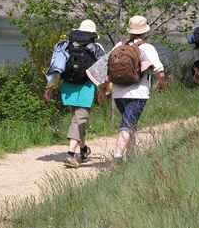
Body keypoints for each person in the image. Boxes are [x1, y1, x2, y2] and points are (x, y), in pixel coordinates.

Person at [44, 19, 105, 168]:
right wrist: (103, 91)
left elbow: (56, 67)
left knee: (78, 119)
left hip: (68, 87)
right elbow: (103, 70)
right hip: (86, 87)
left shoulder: (65, 45)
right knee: (79, 120)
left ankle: (83, 149)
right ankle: (71, 155)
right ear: (93, 33)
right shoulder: (96, 47)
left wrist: (49, 88)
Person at [108, 15, 165, 162]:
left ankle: (132, 157)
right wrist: (161, 84)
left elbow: (105, 69)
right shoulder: (147, 48)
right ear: (144, 31)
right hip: (138, 93)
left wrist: (104, 90)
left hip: (118, 93)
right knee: (127, 124)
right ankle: (118, 157)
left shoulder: (118, 46)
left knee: (131, 122)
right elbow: (160, 71)